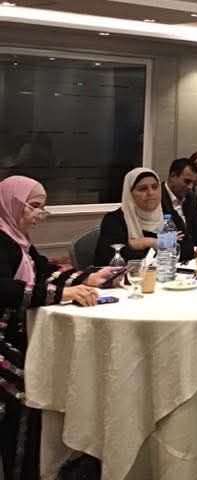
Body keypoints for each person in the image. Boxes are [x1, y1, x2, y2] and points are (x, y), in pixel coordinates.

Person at [0, 176, 113, 480]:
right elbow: (5, 289)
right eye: (34, 207)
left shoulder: (17, 239)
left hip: (16, 334)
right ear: (12, 203)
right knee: (32, 384)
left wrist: (86, 279)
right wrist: (63, 293)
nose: (40, 215)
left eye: (43, 208)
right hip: (4, 339)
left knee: (58, 367)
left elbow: (44, 271)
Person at [96, 167, 163, 265]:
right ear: (129, 194)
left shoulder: (168, 216)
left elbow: (183, 250)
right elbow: (112, 259)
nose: (150, 193)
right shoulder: (114, 220)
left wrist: (142, 243)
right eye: (143, 189)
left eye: (155, 187)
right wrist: (151, 243)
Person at [162, 158, 197, 259]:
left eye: (193, 183)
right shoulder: (156, 197)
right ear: (173, 176)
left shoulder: (191, 197)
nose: (190, 186)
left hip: (190, 260)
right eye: (187, 181)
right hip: (166, 258)